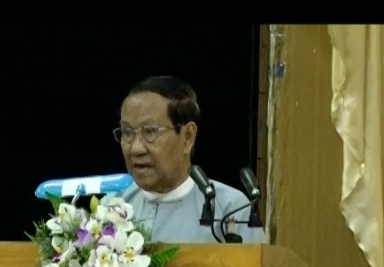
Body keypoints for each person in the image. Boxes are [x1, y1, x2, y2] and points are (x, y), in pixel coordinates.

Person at [101, 75, 266, 244]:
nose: (136, 148)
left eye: (149, 132)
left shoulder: (230, 210)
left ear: (188, 137)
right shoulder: (111, 209)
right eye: (127, 132)